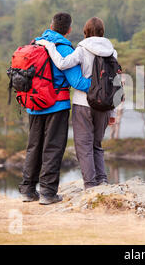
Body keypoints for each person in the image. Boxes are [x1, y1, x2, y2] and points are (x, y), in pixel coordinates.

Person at [19, 12, 91, 205]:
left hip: (33, 104)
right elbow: (77, 82)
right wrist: (100, 84)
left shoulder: (37, 43)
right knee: (53, 148)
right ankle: (48, 193)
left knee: (33, 147)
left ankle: (27, 190)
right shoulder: (64, 49)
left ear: (51, 26)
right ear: (69, 29)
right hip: (56, 105)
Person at [37, 17, 116, 190]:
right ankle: (102, 181)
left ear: (85, 32)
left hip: (83, 104)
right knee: (97, 145)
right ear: (103, 32)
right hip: (104, 105)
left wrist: (50, 46)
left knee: (83, 146)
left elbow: (63, 64)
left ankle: (90, 186)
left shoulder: (82, 49)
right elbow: (115, 83)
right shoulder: (112, 52)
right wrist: (113, 112)